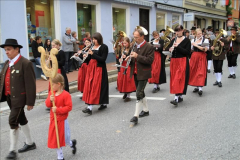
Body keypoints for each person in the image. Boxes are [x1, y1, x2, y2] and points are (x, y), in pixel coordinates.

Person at [0, 39, 37, 159]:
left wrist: (30, 101)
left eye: (9, 49)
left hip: (20, 98)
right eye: (5, 50)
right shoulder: (7, 63)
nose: (6, 52)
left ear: (17, 49)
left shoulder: (25, 63)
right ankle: (30, 143)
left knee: (12, 120)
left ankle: (12, 151)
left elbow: (31, 83)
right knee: (21, 118)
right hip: (10, 97)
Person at [45, 74, 77, 160]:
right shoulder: (51, 93)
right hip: (53, 120)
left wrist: (58, 110)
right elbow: (47, 104)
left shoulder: (66, 95)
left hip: (62, 121)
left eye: (53, 84)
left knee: (65, 138)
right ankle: (60, 157)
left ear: (59, 84)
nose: (51, 86)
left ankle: (71, 144)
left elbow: (69, 107)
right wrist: (50, 100)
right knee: (56, 139)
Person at [128, 27, 154, 124]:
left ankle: (136, 115)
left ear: (142, 36)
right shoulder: (135, 45)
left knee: (138, 93)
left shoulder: (149, 46)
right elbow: (133, 58)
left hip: (144, 73)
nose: (135, 39)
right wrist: (128, 59)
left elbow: (150, 60)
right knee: (141, 92)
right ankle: (146, 110)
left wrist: (137, 56)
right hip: (135, 72)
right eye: (134, 37)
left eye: (137, 37)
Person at [82, 32, 109, 115]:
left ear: (99, 39)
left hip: (99, 69)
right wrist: (83, 57)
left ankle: (90, 107)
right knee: (91, 86)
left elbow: (102, 59)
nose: (93, 41)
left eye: (95, 39)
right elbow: (89, 59)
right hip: (91, 69)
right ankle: (101, 104)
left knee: (97, 87)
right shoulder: (92, 47)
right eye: (93, 39)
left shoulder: (104, 47)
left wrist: (93, 54)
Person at [168, 25, 191, 106]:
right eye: (176, 31)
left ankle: (176, 98)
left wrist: (178, 47)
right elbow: (169, 48)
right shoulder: (173, 39)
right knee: (174, 78)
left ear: (182, 30)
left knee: (179, 78)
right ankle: (180, 96)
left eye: (179, 30)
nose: (178, 32)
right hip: (174, 61)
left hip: (182, 61)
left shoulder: (187, 41)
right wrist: (170, 49)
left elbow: (187, 52)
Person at [189, 28, 209, 96]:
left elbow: (205, 49)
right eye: (198, 34)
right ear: (195, 34)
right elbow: (191, 50)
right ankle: (197, 86)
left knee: (200, 71)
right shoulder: (193, 40)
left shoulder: (205, 40)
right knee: (194, 71)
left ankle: (200, 88)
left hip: (201, 56)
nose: (200, 35)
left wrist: (196, 45)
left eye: (200, 33)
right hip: (194, 56)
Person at [117, 37, 136, 102]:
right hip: (123, 65)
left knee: (127, 80)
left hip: (128, 66)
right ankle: (125, 92)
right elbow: (119, 57)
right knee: (122, 79)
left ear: (128, 43)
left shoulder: (131, 49)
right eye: (123, 43)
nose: (124, 44)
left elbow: (132, 58)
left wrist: (128, 57)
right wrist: (120, 59)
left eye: (125, 43)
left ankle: (128, 95)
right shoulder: (122, 49)